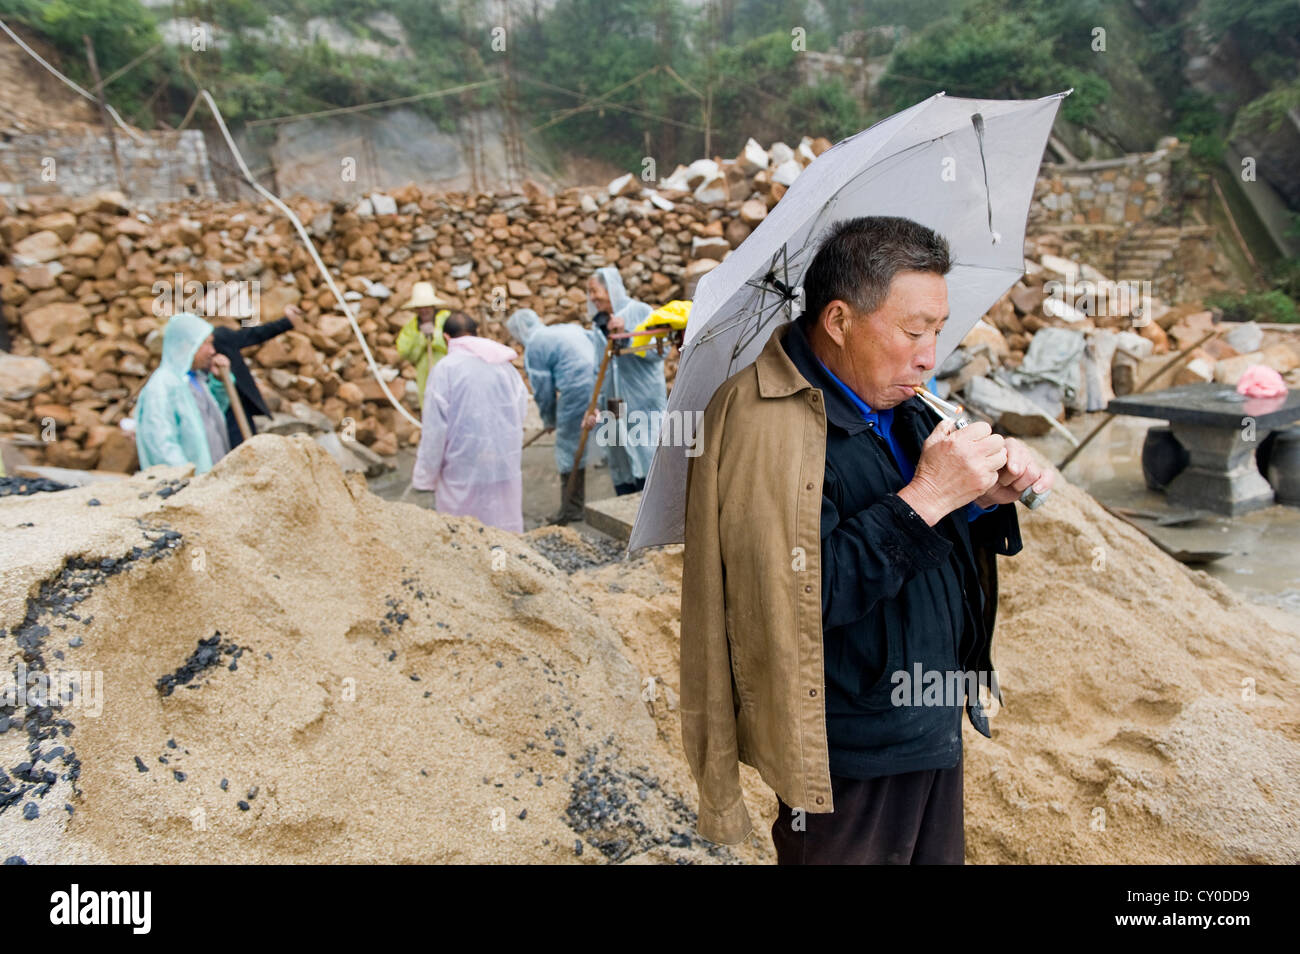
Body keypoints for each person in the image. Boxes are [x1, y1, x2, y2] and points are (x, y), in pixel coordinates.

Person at [680, 215, 1056, 863]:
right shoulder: (763, 421)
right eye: (913, 332)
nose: (929, 357)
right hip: (848, 749)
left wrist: (976, 500)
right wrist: (930, 495)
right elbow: (795, 597)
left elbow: (927, 533)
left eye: (937, 330)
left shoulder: (899, 403)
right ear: (838, 321)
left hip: (926, 714)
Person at [412, 313, 528, 532]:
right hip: (501, 461)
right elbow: (520, 410)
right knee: (503, 527)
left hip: (461, 467)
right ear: (477, 333)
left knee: (464, 533)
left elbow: (435, 430)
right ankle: (508, 564)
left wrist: (425, 476)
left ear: (447, 338)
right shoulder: (504, 366)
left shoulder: (445, 369)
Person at [506, 308, 602, 525]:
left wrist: (549, 418)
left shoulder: (535, 346)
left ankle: (571, 510)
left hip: (576, 389)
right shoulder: (563, 329)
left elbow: (543, 390)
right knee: (588, 440)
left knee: (569, 449)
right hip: (598, 381)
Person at [582, 267, 667, 495]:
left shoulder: (640, 311)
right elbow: (599, 369)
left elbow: (662, 351)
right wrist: (594, 406)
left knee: (648, 459)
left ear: (610, 288)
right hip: (615, 406)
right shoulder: (598, 324)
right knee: (621, 462)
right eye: (588, 292)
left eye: (595, 291)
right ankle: (629, 526)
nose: (592, 297)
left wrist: (627, 334)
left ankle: (652, 525)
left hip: (644, 404)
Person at [134, 312, 235, 474]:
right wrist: (186, 480)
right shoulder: (163, 385)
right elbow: (161, 443)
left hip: (212, 479)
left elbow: (211, 417)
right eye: (206, 344)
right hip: (192, 488)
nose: (212, 351)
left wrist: (220, 383)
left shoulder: (194, 379)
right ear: (187, 345)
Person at [211, 303, 301, 450]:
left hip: (235, 406)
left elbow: (252, 335)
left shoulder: (219, 338)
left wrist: (286, 322)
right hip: (212, 414)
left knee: (243, 448)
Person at [395, 281, 450, 408]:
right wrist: (421, 338)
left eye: (426, 306)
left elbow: (456, 343)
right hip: (425, 377)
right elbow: (405, 353)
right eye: (420, 307)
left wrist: (435, 335)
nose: (423, 310)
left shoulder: (446, 319)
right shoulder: (411, 327)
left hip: (447, 373)